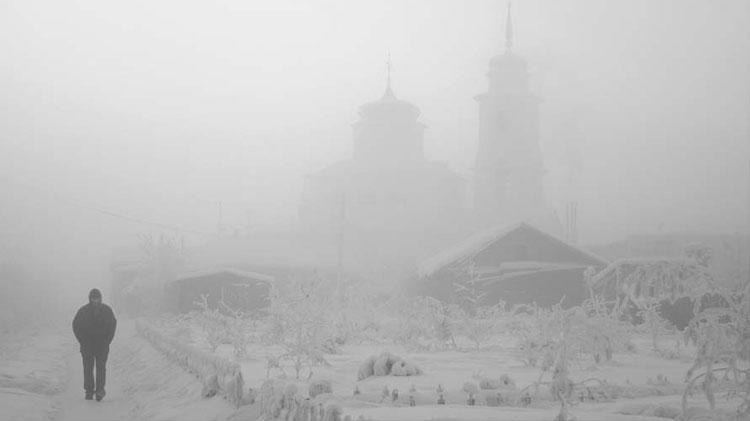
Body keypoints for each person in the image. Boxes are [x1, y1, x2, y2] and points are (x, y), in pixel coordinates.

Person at [72, 288, 117, 401]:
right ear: (90, 298)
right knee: (88, 368)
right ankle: (89, 391)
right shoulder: (83, 311)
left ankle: (100, 391)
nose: (95, 300)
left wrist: (107, 341)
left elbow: (112, 326)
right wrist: (82, 340)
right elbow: (76, 326)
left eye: (97, 298)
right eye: (93, 298)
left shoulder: (107, 311)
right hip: (87, 346)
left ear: (100, 298)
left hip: (102, 346)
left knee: (101, 368)